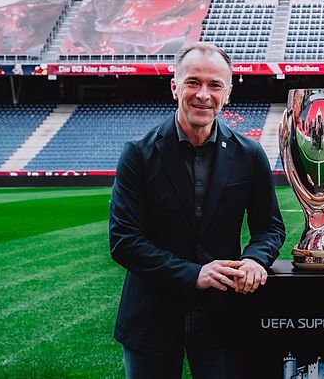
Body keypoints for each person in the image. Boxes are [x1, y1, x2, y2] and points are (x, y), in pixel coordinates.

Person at [109, 42, 285, 378]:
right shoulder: (138, 154)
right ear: (175, 86)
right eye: (193, 82)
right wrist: (194, 274)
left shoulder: (249, 154)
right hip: (151, 315)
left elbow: (270, 228)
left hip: (222, 318)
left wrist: (254, 259)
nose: (203, 94)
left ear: (228, 93)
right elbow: (124, 241)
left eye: (215, 85)